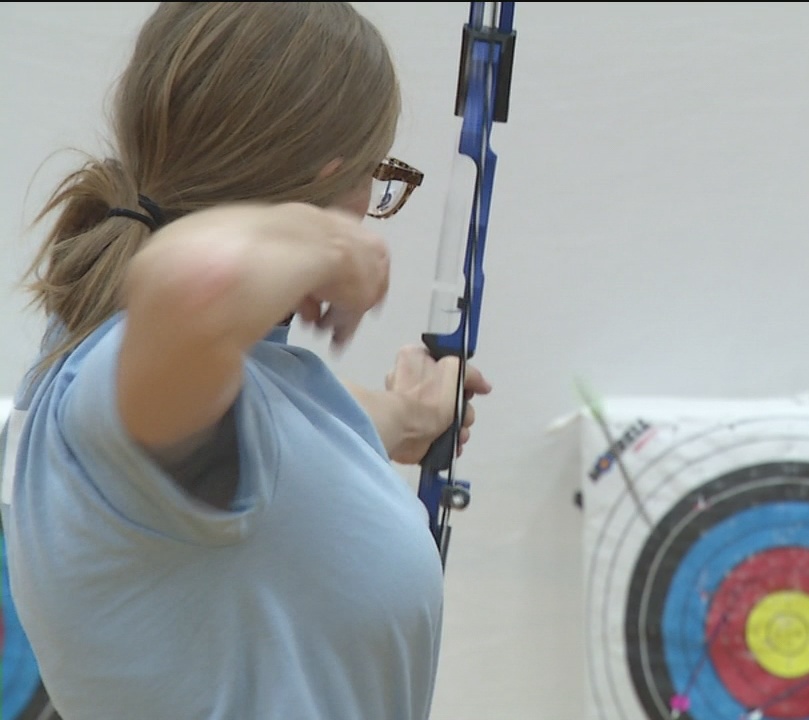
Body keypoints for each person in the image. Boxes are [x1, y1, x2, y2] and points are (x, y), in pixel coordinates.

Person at [0, 3, 491, 718]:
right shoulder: (109, 389)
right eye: (373, 177)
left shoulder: (160, 379)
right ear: (330, 180)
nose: (368, 206)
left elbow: (293, 438)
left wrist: (407, 414)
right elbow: (195, 284)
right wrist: (326, 242)